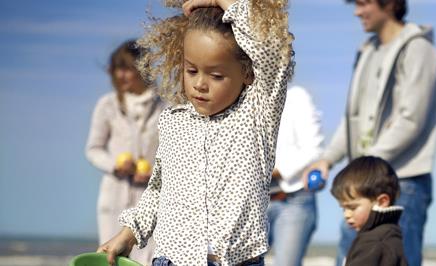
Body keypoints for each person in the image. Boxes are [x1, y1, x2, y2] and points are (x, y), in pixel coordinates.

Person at [95, 0, 294, 265]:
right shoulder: (173, 122)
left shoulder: (257, 115)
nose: (200, 84)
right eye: (192, 70)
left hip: (238, 260)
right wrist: (129, 233)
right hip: (172, 260)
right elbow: (158, 191)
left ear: (247, 73)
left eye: (216, 76)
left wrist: (220, 1)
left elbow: (272, 50)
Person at [302, 0, 436, 265]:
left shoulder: (418, 48)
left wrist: (365, 166)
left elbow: (411, 120)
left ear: (389, 4)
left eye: (363, 3)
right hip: (361, 183)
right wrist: (328, 159)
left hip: (403, 180)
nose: (357, 12)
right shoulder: (367, 51)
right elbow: (351, 119)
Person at [85, 39, 164, 265]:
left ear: (143, 69)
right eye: (117, 69)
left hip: (151, 198)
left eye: (127, 68)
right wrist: (115, 166)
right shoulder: (107, 105)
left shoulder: (165, 107)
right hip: (114, 196)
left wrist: (155, 174)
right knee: (113, 257)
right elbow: (93, 149)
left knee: (148, 259)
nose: (120, 75)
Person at [267, 85, 324, 266]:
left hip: (293, 199)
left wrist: (272, 171)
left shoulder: (296, 97)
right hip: (251, 201)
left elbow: (313, 149)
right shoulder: (238, 98)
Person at [330, 156, 406, 266]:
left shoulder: (374, 242)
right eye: (343, 208)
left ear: (382, 202)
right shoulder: (390, 233)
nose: (346, 215)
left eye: (352, 207)